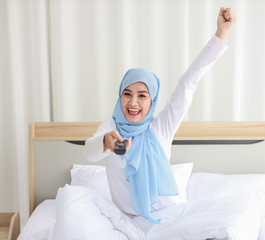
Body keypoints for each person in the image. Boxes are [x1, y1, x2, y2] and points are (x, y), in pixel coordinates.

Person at [84, 7, 237, 223]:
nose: (133, 103)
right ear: (120, 97)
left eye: (142, 96)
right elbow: (90, 152)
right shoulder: (111, 128)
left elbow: (188, 83)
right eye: (127, 94)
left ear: (152, 100)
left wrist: (221, 33)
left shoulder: (159, 128)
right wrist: (106, 143)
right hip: (127, 221)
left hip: (168, 217)